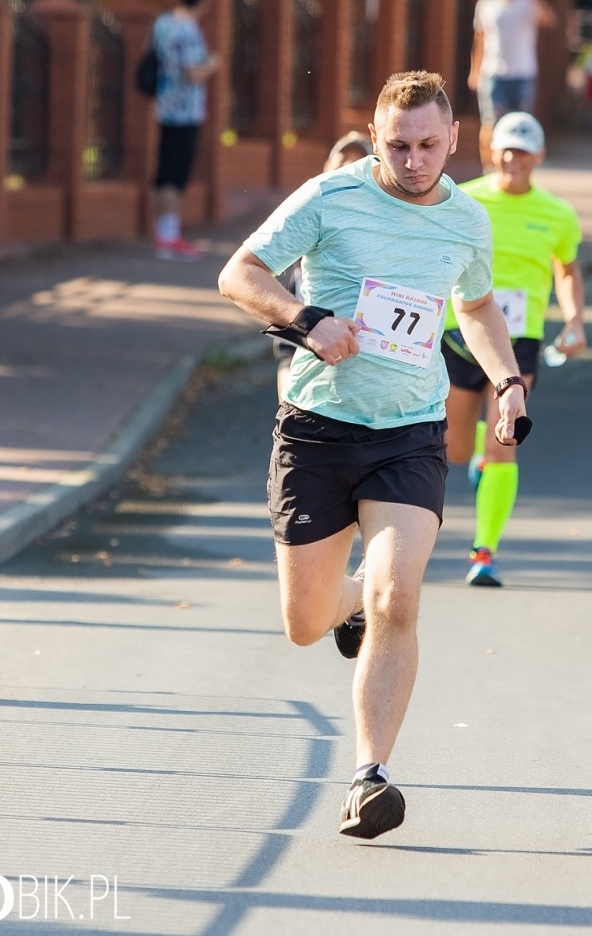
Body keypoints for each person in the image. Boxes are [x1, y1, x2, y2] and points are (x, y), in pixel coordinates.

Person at [216, 70, 529, 841]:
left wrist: (507, 381)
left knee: (400, 595)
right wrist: (305, 315)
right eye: (399, 145)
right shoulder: (331, 197)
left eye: (429, 144)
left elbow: (478, 303)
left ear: (455, 139)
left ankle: (370, 777)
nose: (415, 160)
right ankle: (344, 602)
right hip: (317, 429)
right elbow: (239, 273)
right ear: (378, 136)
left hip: (409, 434)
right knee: (304, 620)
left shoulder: (467, 220)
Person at [444, 112, 587, 587]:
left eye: (523, 151)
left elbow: (566, 269)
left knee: (504, 441)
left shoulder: (557, 213)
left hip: (519, 341)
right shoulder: (465, 198)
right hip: (459, 335)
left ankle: (484, 552)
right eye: (506, 149)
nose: (513, 159)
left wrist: (574, 321)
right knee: (455, 449)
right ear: (491, 150)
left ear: (539, 157)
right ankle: (480, 458)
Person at [274, 132, 376, 399]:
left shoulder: (378, 224)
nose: (346, 167)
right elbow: (248, 271)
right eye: (342, 159)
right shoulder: (308, 208)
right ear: (327, 166)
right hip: (299, 342)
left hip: (356, 352)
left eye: (356, 162)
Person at [151, 0, 220, 262]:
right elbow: (193, 72)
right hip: (186, 110)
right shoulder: (189, 30)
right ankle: (169, 236)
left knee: (163, 170)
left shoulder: (163, 23)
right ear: (202, 1)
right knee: (175, 175)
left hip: (164, 105)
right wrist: (213, 65)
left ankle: (161, 233)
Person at [469, 0, 558, 152]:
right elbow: (480, 40)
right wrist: (474, 71)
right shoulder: (486, 4)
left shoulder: (527, 4)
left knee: (522, 124)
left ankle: (519, 164)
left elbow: (549, 21)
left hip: (523, 73)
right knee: (491, 123)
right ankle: (489, 166)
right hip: (493, 72)